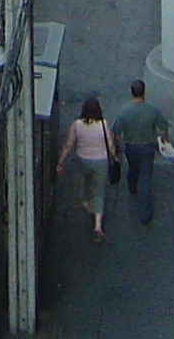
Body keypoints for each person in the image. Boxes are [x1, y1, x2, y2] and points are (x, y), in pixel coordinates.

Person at [55, 94, 120, 242]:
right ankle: (98, 225)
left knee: (86, 181)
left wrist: (60, 162)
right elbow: (110, 145)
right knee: (99, 191)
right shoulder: (103, 124)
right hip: (100, 160)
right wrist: (115, 157)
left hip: (83, 159)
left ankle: (87, 202)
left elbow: (68, 145)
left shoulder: (77, 125)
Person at [114, 79, 169, 225]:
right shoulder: (152, 110)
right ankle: (145, 214)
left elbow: (117, 133)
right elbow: (163, 128)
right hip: (147, 147)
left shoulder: (124, 112)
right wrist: (164, 140)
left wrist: (117, 148)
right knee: (145, 179)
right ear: (144, 91)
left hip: (131, 147)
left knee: (132, 168)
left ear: (131, 92)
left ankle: (132, 186)